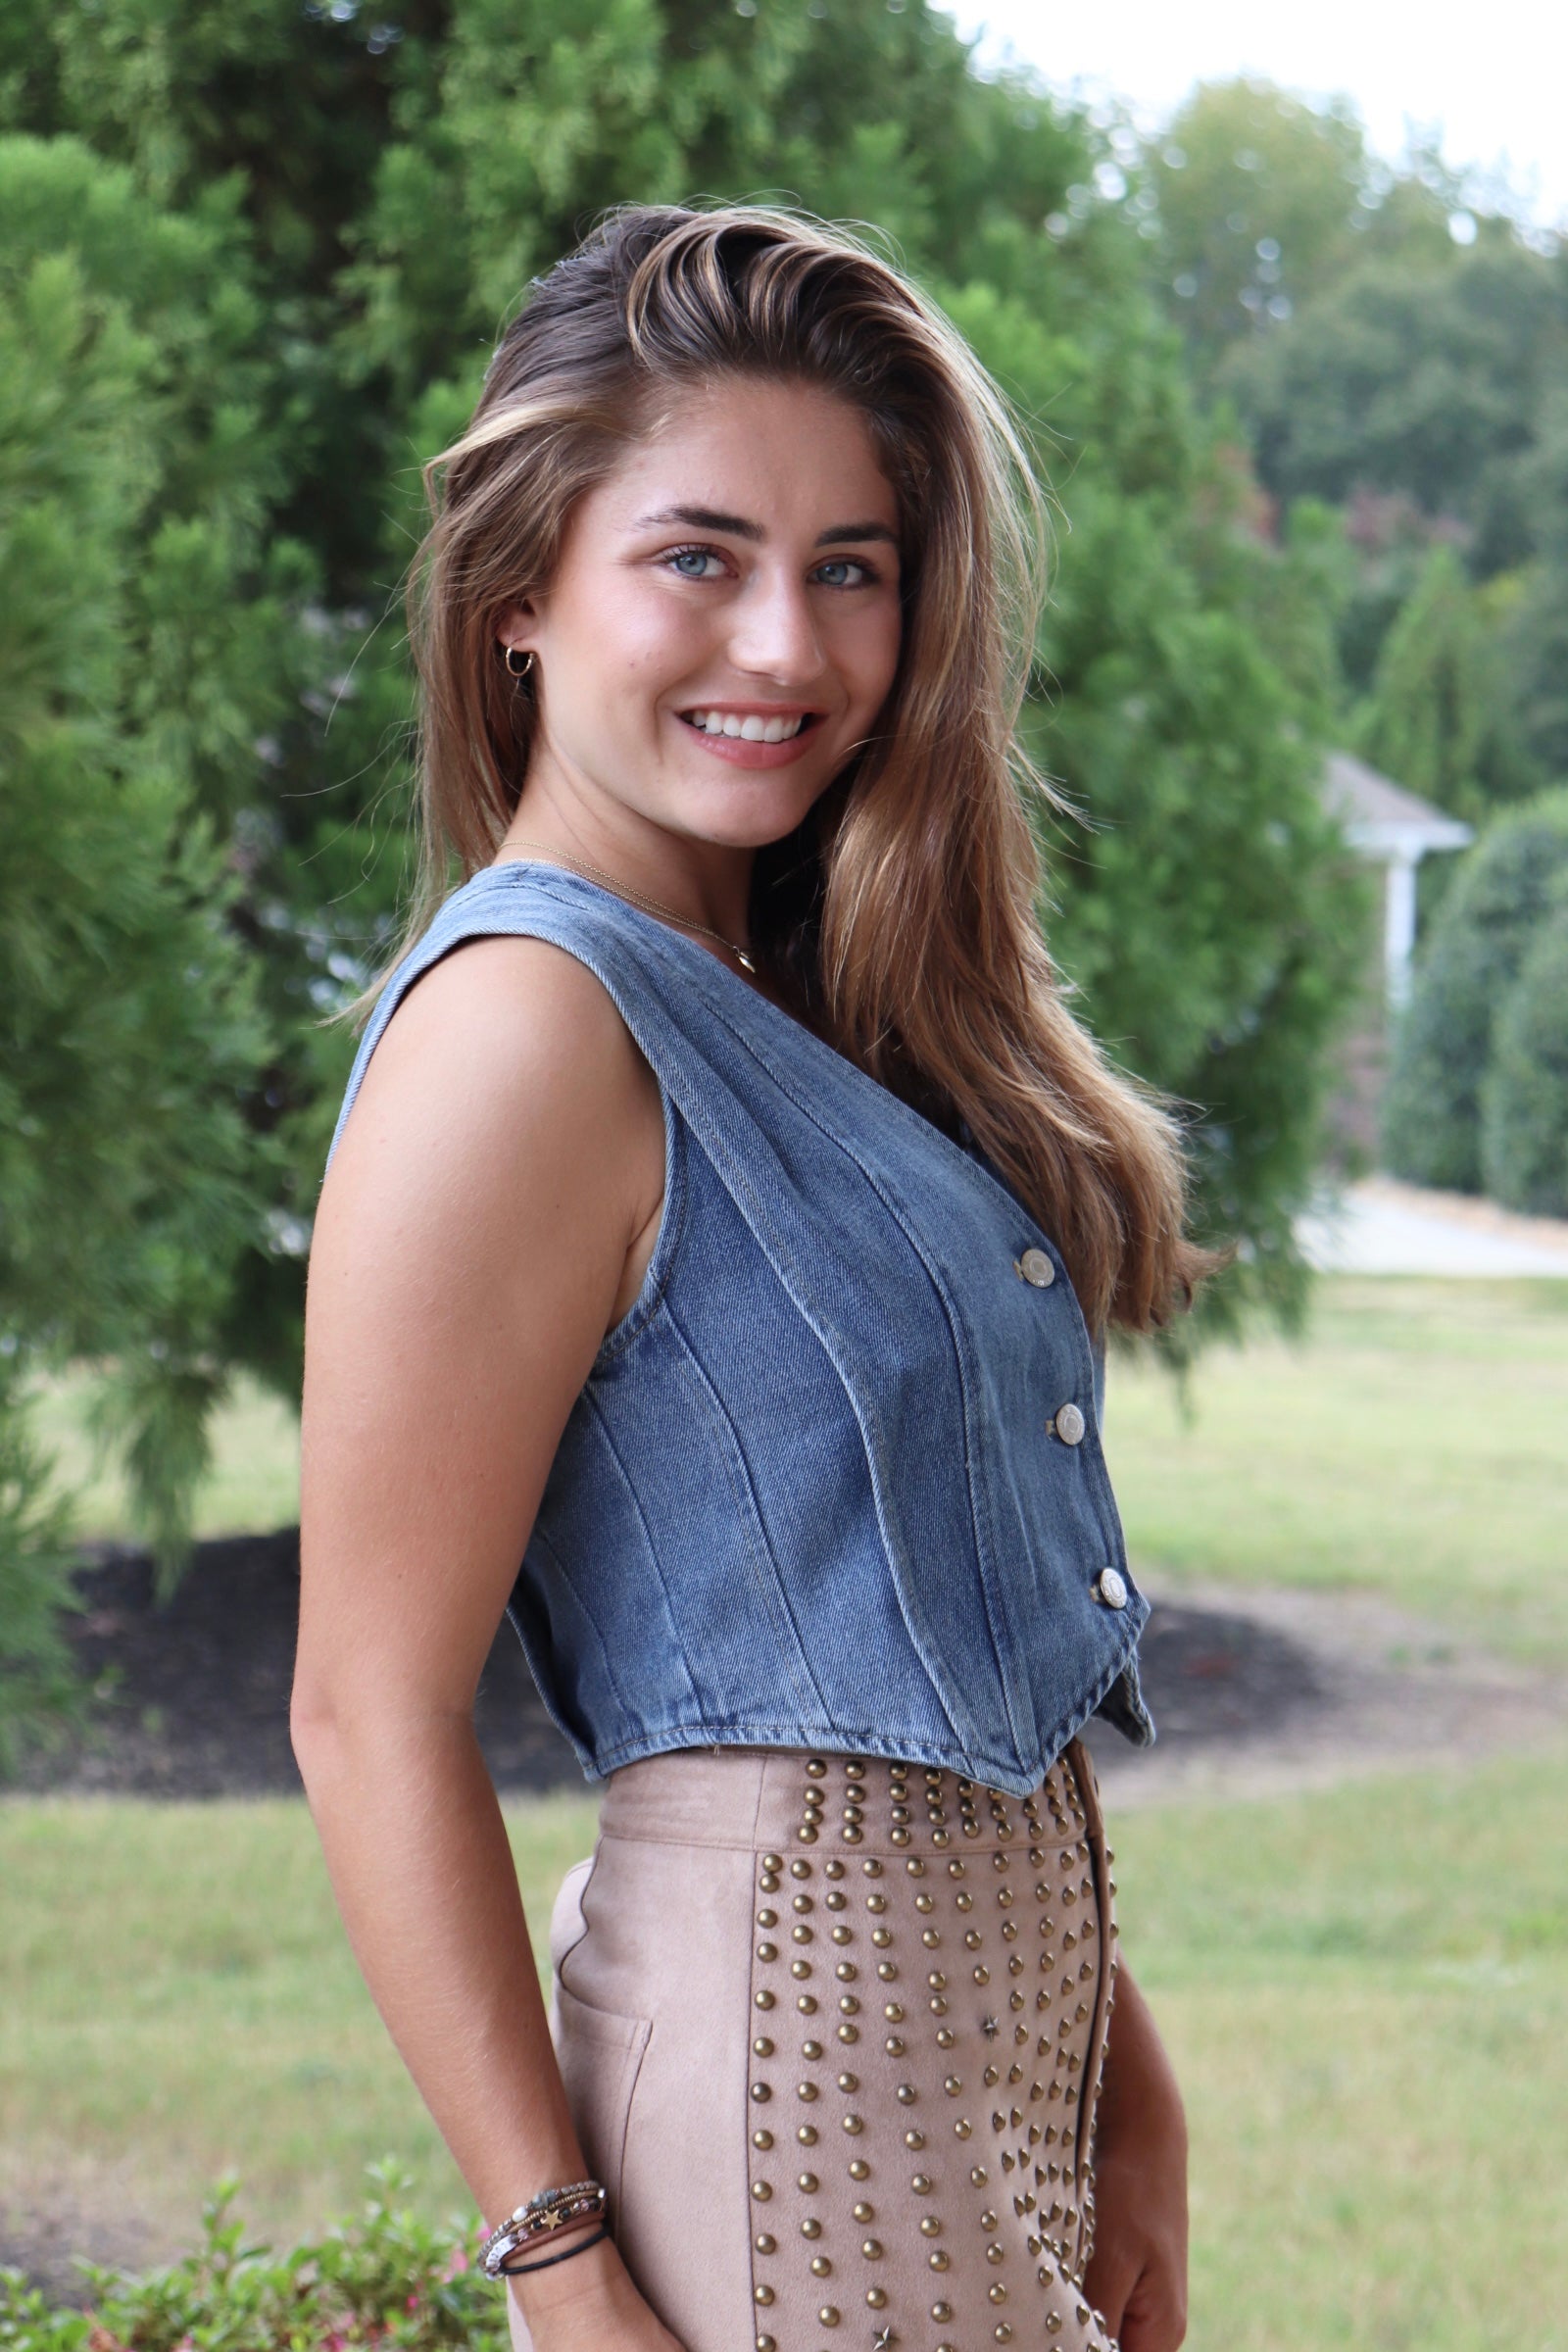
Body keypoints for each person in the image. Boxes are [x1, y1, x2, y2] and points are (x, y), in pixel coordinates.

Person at [293, 204, 1200, 2352]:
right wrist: (557, 2268)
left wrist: (1119, 2086)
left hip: (971, 2075)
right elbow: (366, 1709)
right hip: (797, 2108)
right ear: (523, 596)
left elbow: (913, 1642)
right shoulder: (524, 1029)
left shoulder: (776, 994)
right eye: (695, 558)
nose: (784, 648)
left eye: (849, 568)